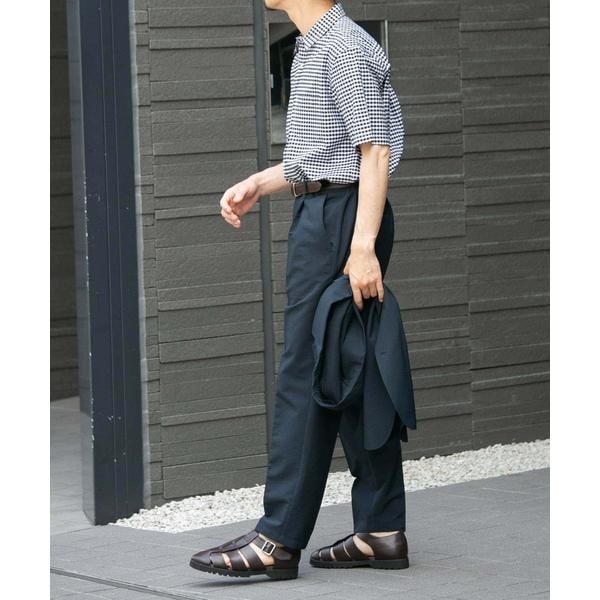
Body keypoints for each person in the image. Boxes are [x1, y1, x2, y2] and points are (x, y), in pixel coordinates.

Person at [189, 0, 409, 580]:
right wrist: (260, 183)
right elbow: (324, 154)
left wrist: (362, 247)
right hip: (330, 211)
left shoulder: (343, 46)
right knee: (352, 368)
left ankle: (278, 538)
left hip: (340, 220)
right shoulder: (313, 44)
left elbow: (374, 151)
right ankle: (381, 529)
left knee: (306, 369)